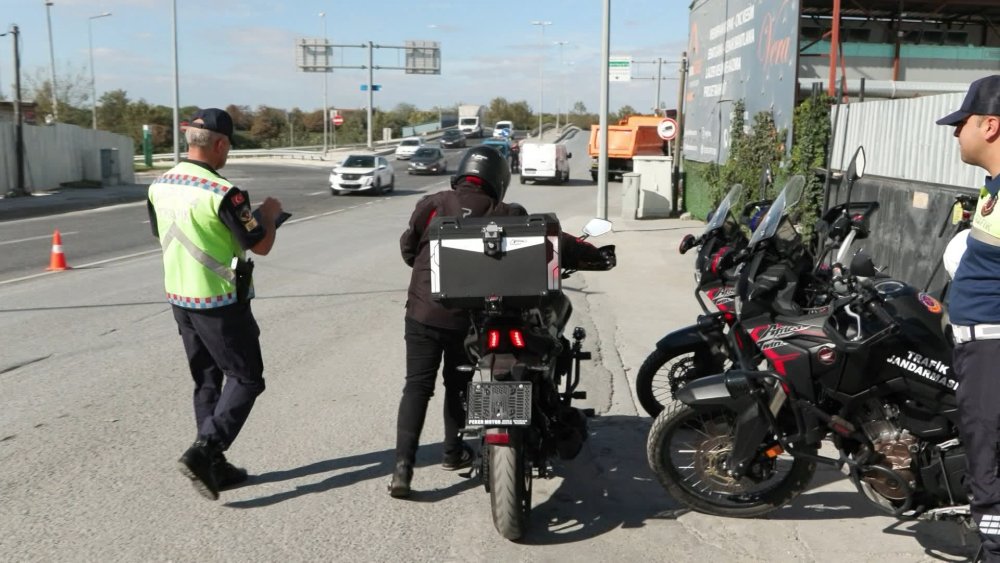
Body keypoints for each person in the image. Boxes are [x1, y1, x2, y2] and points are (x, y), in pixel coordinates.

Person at [390, 145, 610, 498]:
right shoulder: (507, 212)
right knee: (457, 385)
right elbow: (549, 240)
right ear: (499, 180)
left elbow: (408, 248)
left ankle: (402, 470)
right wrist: (593, 254)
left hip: (423, 312)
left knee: (417, 386)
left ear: (462, 173)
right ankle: (452, 452)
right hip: (470, 318)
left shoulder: (432, 205)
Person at [147, 108, 284, 501]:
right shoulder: (225, 193)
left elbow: (165, 231)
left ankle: (215, 466)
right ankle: (204, 451)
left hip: (180, 297)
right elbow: (260, 244)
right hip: (219, 301)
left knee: (207, 380)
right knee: (247, 378)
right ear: (220, 144)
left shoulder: (159, 185)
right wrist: (269, 215)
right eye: (229, 146)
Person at [936, 74, 1000, 562]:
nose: (956, 132)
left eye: (963, 123)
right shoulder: (992, 188)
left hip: (993, 351)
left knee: (990, 461)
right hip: (978, 345)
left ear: (991, 126)